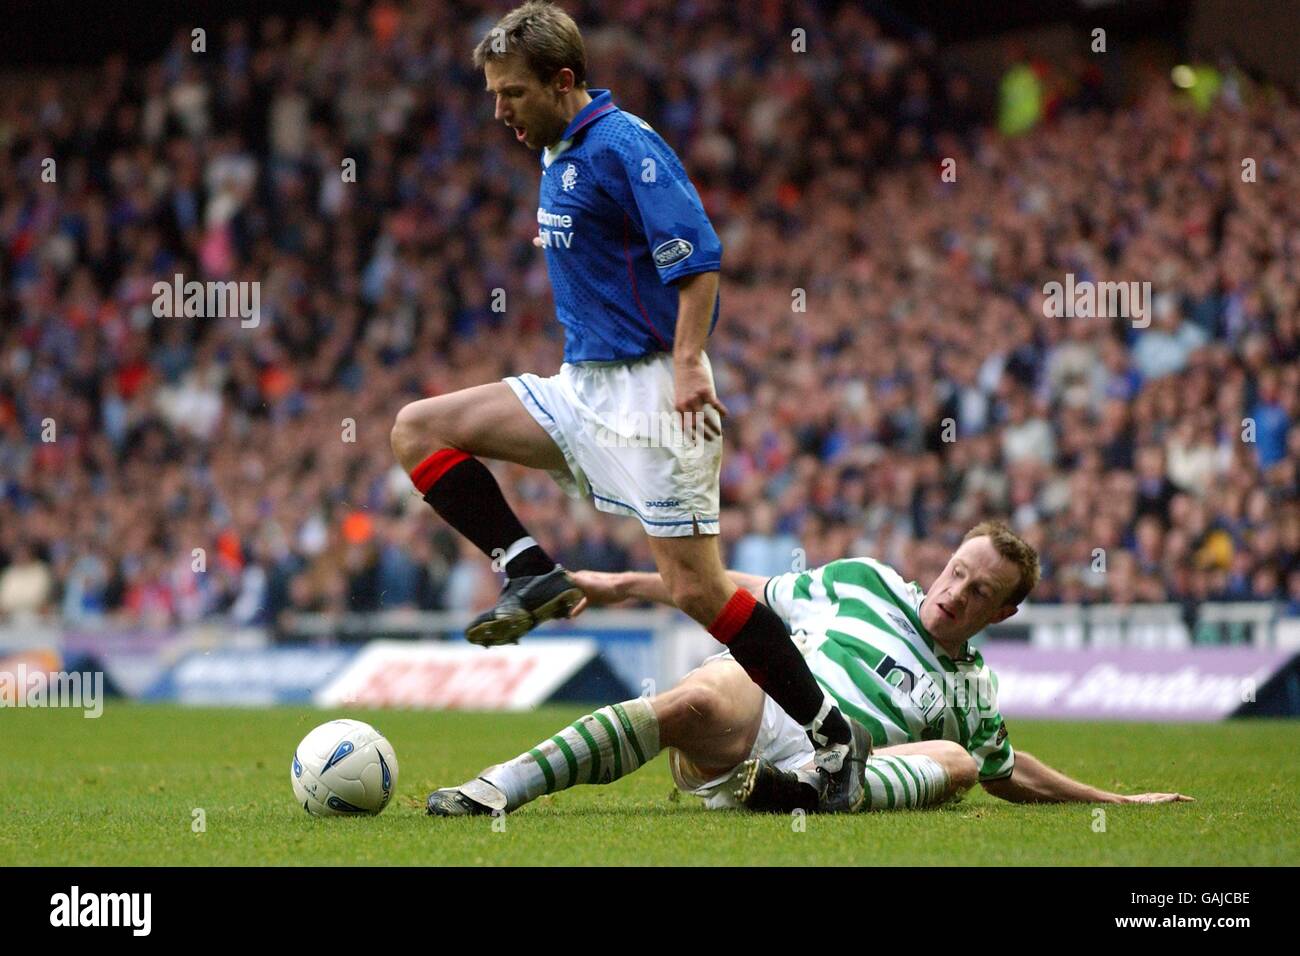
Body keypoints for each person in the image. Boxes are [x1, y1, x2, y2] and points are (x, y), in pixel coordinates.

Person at [389, 0, 866, 806]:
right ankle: (530, 570)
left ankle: (831, 735)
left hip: (652, 398)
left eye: (511, 93)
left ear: (564, 80)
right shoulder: (558, 147)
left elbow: (698, 257)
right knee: (418, 429)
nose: (498, 109)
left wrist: (688, 365)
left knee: (696, 592)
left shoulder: (624, 145)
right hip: (581, 388)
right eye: (494, 93)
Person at [427, 521, 1193, 815]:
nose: (954, 593)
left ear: (1004, 613)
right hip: (766, 713)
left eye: (979, 591)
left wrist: (1115, 802)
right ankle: (500, 787)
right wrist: (620, 585)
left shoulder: (972, 689)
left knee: (959, 758)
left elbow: (1003, 768)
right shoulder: (863, 582)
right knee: (696, 699)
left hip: (843, 763)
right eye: (957, 571)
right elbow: (737, 593)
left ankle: (817, 792)